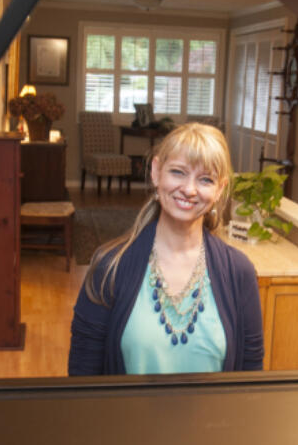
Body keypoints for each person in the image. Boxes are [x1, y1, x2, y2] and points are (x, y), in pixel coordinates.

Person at [69, 122, 264, 375]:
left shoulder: (239, 272)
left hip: (215, 417)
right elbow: (83, 378)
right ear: (156, 172)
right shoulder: (109, 267)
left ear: (219, 190)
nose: (189, 189)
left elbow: (250, 378)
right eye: (178, 172)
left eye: (205, 179)